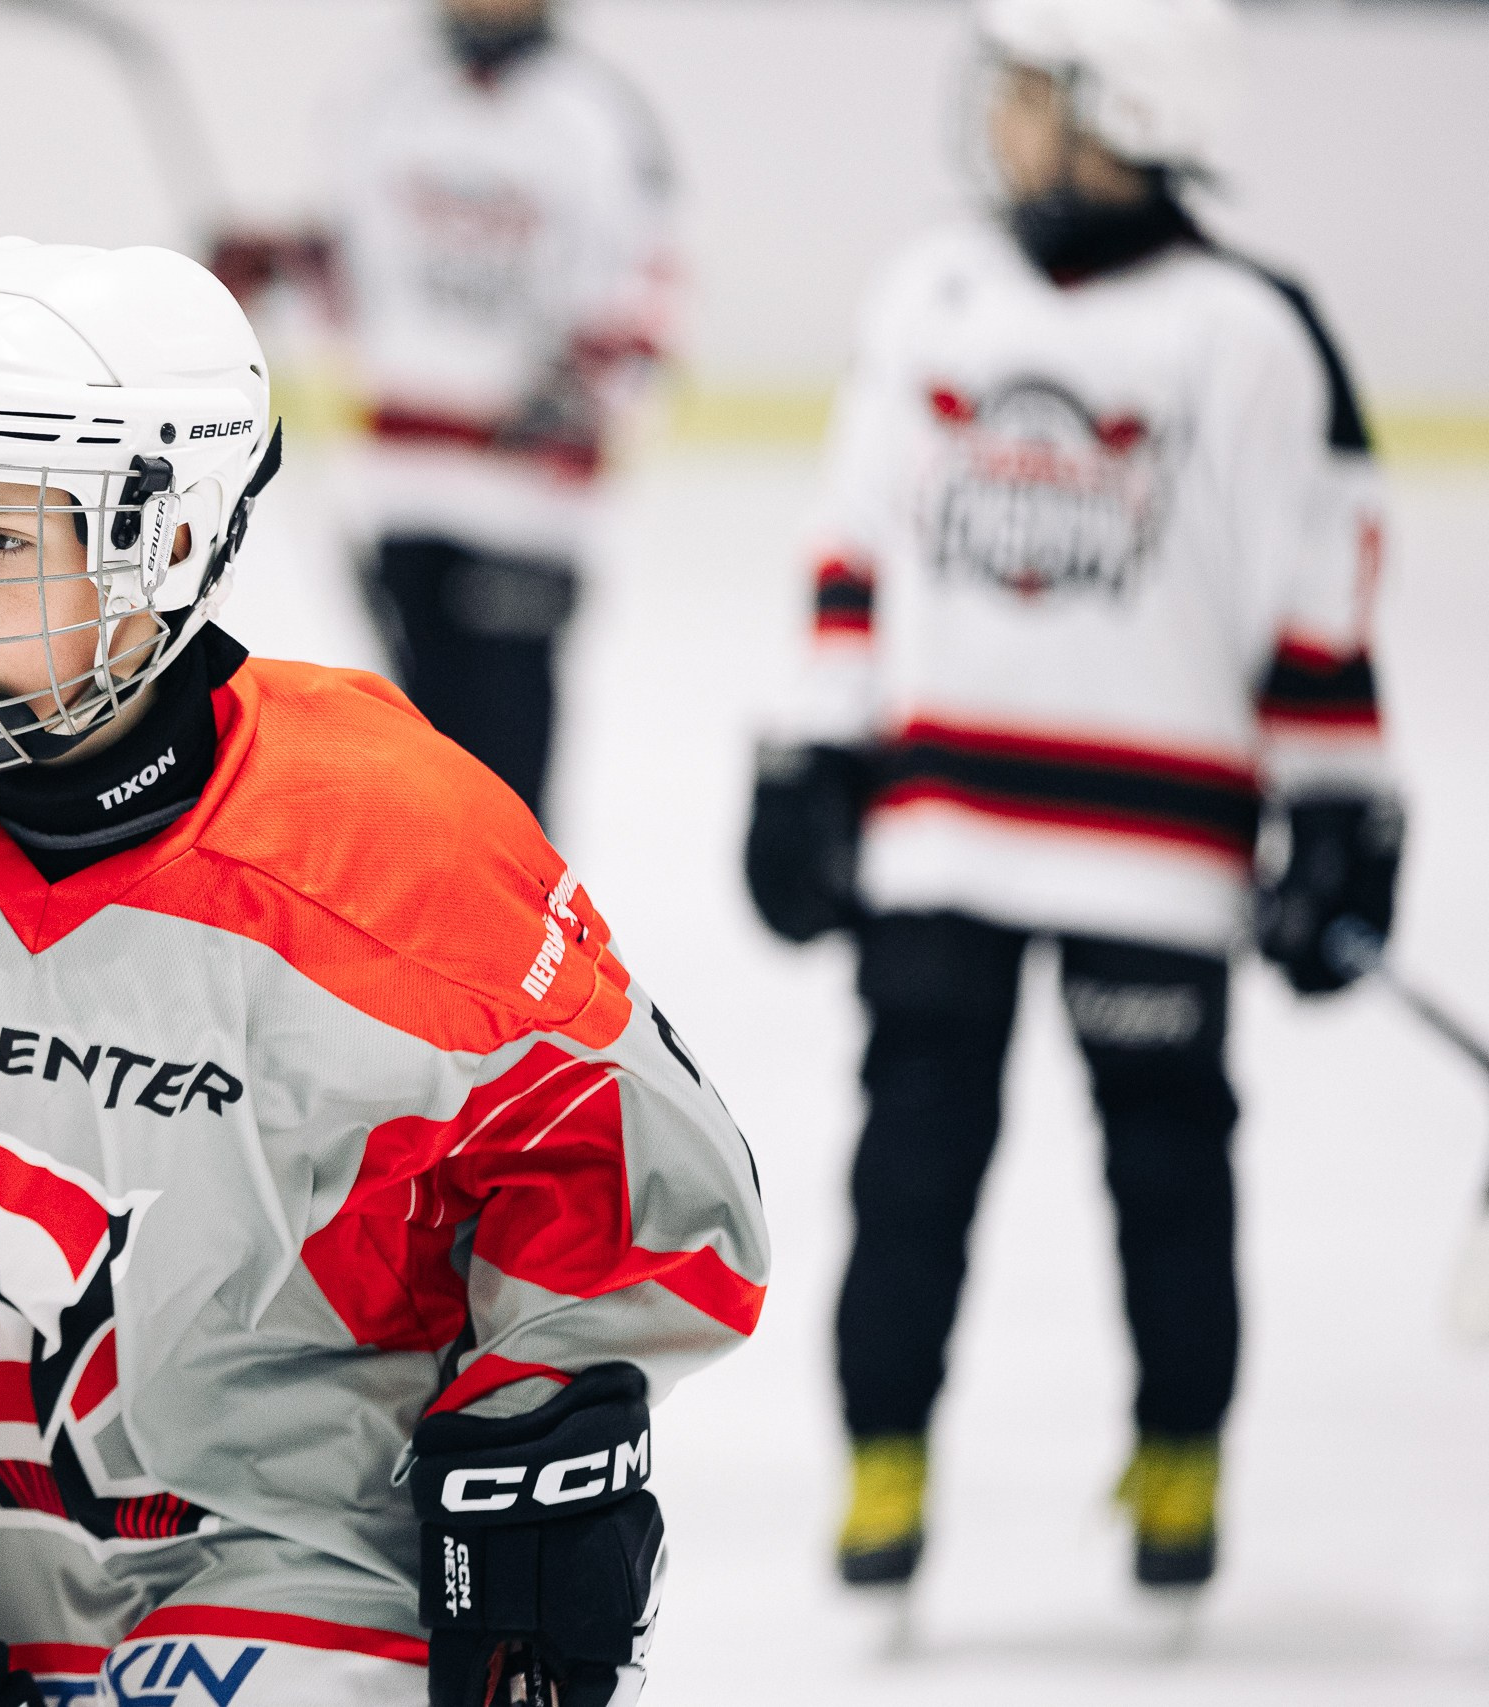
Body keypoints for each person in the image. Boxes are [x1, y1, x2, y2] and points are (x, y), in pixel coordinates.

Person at [0, 237, 768, 1707]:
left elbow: (652, 1204)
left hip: (320, 1562)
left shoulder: (398, 859)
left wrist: (537, 1449)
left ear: (166, 542)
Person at [745, 0, 1398, 1593]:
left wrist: (1340, 809)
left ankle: (1182, 1450)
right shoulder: (937, 289)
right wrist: (809, 749)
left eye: (1036, 91)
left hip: (1153, 861)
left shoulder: (1251, 329)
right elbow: (857, 542)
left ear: (1127, 112)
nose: (1006, 121)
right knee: (910, 1168)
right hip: (943, 836)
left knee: (1168, 1177)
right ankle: (883, 1453)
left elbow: (1322, 590)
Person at [210, 0, 676, 826]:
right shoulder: (386, 93)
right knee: (416, 760)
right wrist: (277, 263)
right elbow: (353, 276)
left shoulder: (596, 115)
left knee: (504, 773)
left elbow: (647, 297)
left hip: (529, 510)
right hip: (406, 492)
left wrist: (577, 388)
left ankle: (519, 942)